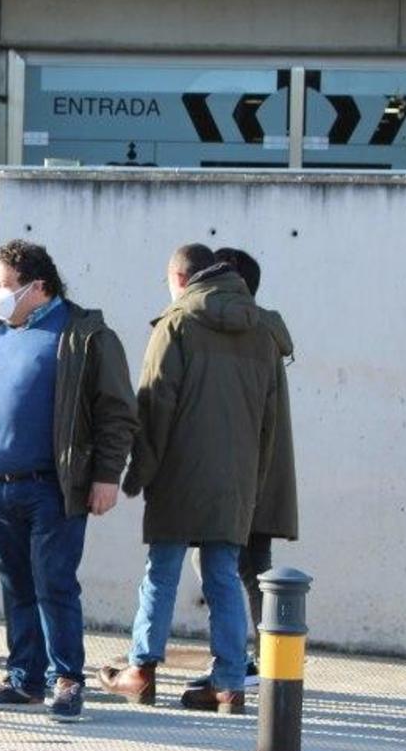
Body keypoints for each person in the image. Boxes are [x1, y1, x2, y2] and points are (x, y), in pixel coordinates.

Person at [0, 240, 138, 724]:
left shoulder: (84, 335)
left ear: (39, 287)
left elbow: (117, 413)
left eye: (6, 285)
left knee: (53, 582)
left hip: (52, 485)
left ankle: (66, 680)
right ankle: (23, 679)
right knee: (16, 585)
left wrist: (106, 476)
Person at [101, 244, 281, 715]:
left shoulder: (177, 323)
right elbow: (270, 422)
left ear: (179, 279)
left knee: (161, 572)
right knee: (223, 575)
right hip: (236, 478)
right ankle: (227, 683)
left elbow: (155, 404)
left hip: (179, 471)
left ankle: (140, 670)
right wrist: (255, 482)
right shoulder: (261, 330)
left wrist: (139, 471)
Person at [181, 246, 297, 692]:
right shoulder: (262, 328)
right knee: (250, 568)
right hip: (260, 469)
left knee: (229, 568)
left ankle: (246, 660)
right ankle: (259, 658)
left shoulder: (238, 329)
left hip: (238, 469)